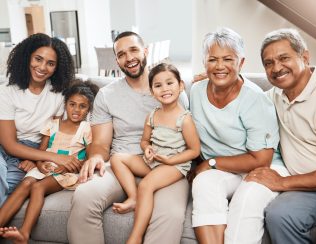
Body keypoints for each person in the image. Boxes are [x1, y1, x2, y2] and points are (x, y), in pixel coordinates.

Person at [67, 31, 190, 244]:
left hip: (165, 167)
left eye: (133, 50)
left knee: (169, 215)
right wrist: (96, 156)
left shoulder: (169, 88)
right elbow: (100, 143)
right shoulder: (107, 95)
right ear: (117, 61)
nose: (129, 58)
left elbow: (187, 138)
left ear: (145, 51)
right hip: (121, 165)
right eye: (122, 54)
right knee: (84, 195)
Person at [246, 28, 316, 243]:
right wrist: (212, 82)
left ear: (304, 56)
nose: (276, 68)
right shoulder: (271, 98)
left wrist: (283, 183)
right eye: (268, 63)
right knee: (279, 216)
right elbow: (240, 99)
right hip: (311, 186)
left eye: (284, 58)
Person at [190, 27, 290, 244]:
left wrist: (211, 162)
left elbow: (261, 160)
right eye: (212, 59)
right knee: (204, 184)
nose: (219, 66)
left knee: (245, 202)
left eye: (228, 59)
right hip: (227, 169)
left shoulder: (255, 99)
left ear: (241, 62)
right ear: (204, 62)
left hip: (263, 166)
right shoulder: (195, 91)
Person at [111, 63, 200, 243]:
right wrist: (147, 149)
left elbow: (194, 150)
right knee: (117, 158)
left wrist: (170, 160)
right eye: (158, 85)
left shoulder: (184, 119)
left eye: (169, 83)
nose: (164, 89)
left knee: (145, 185)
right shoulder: (152, 115)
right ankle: (134, 197)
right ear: (152, 91)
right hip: (154, 162)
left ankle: (135, 236)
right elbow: (144, 140)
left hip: (174, 166)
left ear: (181, 86)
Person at [0, 80, 99, 243]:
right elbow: (41, 151)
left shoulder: (86, 129)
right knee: (25, 184)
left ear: (89, 109)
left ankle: (24, 233)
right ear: (65, 104)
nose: (76, 110)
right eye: (72, 104)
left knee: (38, 187)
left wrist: (69, 166)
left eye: (83, 106)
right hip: (44, 166)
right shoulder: (52, 124)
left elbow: (89, 158)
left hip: (66, 172)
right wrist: (39, 164)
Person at [0, 33, 80, 206]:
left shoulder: (59, 95)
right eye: (38, 59)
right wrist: (53, 157)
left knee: (10, 187)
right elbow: (9, 144)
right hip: (5, 147)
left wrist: (36, 159)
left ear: (57, 67)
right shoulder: (6, 92)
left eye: (50, 63)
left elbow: (53, 135)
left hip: (32, 152)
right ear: (27, 57)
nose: (42, 67)